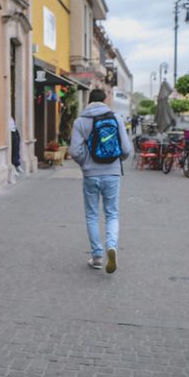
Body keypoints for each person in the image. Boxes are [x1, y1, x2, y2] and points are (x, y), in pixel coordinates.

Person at [69, 89, 132, 274]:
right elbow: (126, 149)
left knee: (92, 215)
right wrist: (116, 161)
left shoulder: (80, 121)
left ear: (89, 101)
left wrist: (85, 164)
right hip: (112, 174)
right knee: (112, 214)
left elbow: (74, 151)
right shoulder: (116, 119)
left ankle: (97, 257)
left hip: (90, 175)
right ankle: (111, 246)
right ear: (105, 101)